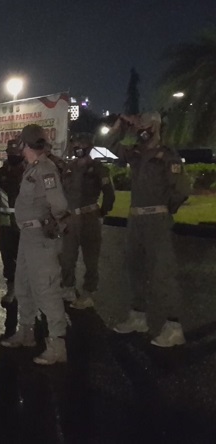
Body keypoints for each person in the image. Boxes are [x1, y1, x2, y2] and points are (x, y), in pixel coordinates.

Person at [106, 112, 190, 347]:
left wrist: (165, 210)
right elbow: (109, 144)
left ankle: (174, 327)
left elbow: (182, 189)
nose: (140, 128)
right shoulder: (137, 153)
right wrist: (120, 125)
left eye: (144, 125)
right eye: (138, 125)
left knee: (162, 273)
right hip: (135, 220)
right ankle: (138, 317)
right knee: (135, 269)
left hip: (156, 220)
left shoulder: (167, 156)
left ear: (156, 126)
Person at [0, 124, 69, 365]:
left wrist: (54, 223)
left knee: (46, 289)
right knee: (24, 285)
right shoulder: (33, 168)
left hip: (40, 238)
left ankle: (57, 344)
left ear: (25, 144)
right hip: (28, 237)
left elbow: (59, 205)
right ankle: (26, 332)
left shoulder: (46, 169)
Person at [60, 132, 116, 309]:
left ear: (89, 146)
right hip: (70, 218)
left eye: (81, 143)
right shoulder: (68, 168)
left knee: (90, 258)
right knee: (67, 257)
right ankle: (68, 287)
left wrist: (102, 212)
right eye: (76, 143)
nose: (78, 146)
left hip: (89, 216)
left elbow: (109, 194)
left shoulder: (98, 169)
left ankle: (88, 292)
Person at [0, 139, 26, 305]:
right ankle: (11, 288)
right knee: (8, 258)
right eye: (11, 153)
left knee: (27, 259)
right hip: (6, 225)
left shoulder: (30, 172)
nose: (14, 156)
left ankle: (26, 290)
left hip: (26, 225)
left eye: (16, 154)